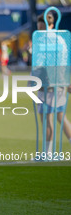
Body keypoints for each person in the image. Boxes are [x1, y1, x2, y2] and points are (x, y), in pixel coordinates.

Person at [35, 13, 71, 154]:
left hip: (49, 84)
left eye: (42, 28)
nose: (40, 31)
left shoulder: (46, 42)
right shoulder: (61, 40)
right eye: (39, 28)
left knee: (47, 118)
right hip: (58, 83)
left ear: (50, 25)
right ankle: (48, 152)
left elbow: (42, 65)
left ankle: (47, 153)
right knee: (61, 117)